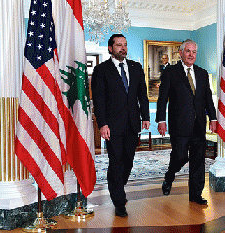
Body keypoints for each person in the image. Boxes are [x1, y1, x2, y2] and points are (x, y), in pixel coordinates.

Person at [91, 34, 150, 217]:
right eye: (118, 45)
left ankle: (117, 186)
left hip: (133, 123)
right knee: (116, 162)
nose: (122, 48)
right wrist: (102, 124)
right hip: (112, 126)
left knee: (129, 161)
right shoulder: (102, 70)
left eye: (124, 45)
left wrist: (145, 117)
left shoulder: (136, 67)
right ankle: (119, 201)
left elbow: (142, 95)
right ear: (110, 48)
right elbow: (99, 101)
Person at [155, 39, 217, 205]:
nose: (191, 55)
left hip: (198, 125)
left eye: (194, 52)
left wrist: (213, 118)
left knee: (198, 160)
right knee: (180, 156)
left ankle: (196, 194)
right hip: (179, 125)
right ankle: (169, 176)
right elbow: (162, 99)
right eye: (188, 51)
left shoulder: (202, 73)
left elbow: (208, 99)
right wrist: (161, 120)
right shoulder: (170, 72)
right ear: (181, 53)